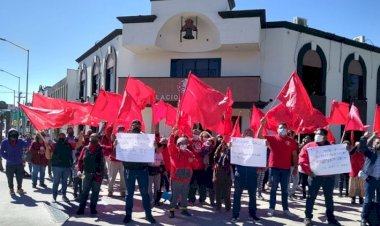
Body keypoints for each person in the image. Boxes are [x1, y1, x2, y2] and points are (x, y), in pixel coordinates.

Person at [299, 128, 341, 226]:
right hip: (314, 176)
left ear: (325, 137)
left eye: (319, 134)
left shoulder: (331, 148)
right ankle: (308, 217)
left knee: (329, 198)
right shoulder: (308, 146)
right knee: (311, 197)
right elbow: (302, 159)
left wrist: (344, 151)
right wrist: (308, 171)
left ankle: (331, 218)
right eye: (316, 133)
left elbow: (338, 161)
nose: (317, 135)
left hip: (328, 177)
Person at [258, 119, 298, 218]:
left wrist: (296, 167)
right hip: (274, 168)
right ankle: (271, 208)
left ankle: (285, 209)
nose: (283, 129)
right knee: (273, 189)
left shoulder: (291, 141)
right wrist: (261, 125)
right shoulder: (273, 138)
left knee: (285, 190)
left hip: (286, 169)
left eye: (284, 128)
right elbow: (259, 136)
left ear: (287, 129)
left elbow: (294, 155)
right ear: (277, 129)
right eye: (281, 128)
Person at [122, 120, 156, 224]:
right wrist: (117, 144)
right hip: (129, 169)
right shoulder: (125, 138)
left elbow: (151, 151)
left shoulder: (146, 138)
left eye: (138, 125)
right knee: (129, 194)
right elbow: (119, 152)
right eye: (134, 125)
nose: (136, 126)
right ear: (131, 126)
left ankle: (148, 214)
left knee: (145, 193)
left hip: (142, 170)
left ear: (141, 127)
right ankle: (128, 215)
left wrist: (152, 145)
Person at [231, 129, 260, 223]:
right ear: (242, 135)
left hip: (252, 174)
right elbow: (230, 157)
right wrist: (230, 147)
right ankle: (235, 215)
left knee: (252, 195)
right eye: (246, 133)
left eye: (250, 133)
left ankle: (252, 214)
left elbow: (262, 156)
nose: (248, 134)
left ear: (253, 135)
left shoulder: (257, 145)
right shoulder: (236, 145)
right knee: (237, 195)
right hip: (240, 173)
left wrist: (265, 146)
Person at [168, 130, 197, 218]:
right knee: (175, 195)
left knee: (185, 195)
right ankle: (172, 211)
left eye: (185, 143)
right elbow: (170, 145)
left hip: (186, 179)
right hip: (176, 179)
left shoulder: (189, 153)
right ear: (178, 144)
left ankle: (184, 210)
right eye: (182, 143)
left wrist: (193, 161)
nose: (184, 144)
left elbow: (196, 165)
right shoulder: (174, 152)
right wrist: (172, 134)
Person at [76, 133, 105, 215]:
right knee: (84, 191)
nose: (92, 139)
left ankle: (93, 209)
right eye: (91, 138)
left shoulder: (101, 149)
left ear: (97, 139)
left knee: (95, 192)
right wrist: (79, 170)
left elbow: (110, 150)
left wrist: (114, 143)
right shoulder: (85, 149)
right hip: (86, 173)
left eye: (94, 138)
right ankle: (81, 208)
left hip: (97, 174)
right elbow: (80, 161)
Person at [358, 133, 380, 226]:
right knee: (368, 200)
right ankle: (363, 219)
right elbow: (362, 147)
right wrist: (366, 137)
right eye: (378, 142)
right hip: (371, 180)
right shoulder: (370, 152)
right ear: (374, 144)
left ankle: (377, 219)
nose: (379, 144)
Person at [0, 128, 28, 195]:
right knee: (10, 177)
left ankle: (19, 188)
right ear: (9, 135)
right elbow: (1, 152)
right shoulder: (4, 142)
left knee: (20, 177)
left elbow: (27, 145)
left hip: (19, 163)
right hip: (10, 164)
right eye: (12, 137)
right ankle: (11, 189)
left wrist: (29, 138)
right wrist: (7, 158)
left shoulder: (20, 141)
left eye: (15, 137)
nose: (13, 138)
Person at [51, 132, 73, 202]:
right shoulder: (54, 145)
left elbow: (72, 151)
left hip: (66, 166)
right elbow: (50, 153)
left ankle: (64, 195)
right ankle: (54, 196)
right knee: (56, 182)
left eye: (63, 136)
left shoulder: (68, 145)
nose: (61, 137)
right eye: (60, 136)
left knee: (64, 182)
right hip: (57, 166)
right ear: (57, 137)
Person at [107, 126, 126, 197]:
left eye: (123, 130)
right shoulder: (113, 137)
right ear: (117, 131)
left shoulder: (126, 139)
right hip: (114, 160)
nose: (122, 131)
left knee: (123, 177)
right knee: (112, 176)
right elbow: (110, 148)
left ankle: (122, 191)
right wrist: (114, 144)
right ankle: (110, 190)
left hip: (122, 161)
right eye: (120, 130)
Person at [213, 140, 232, 211]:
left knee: (226, 192)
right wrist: (220, 145)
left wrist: (229, 148)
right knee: (217, 192)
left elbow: (229, 159)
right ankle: (218, 206)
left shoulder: (229, 152)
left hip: (226, 174)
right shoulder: (219, 152)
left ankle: (228, 206)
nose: (223, 145)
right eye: (222, 144)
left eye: (225, 144)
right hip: (218, 173)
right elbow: (215, 157)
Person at [148, 142, 164, 206]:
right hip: (150, 171)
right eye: (161, 148)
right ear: (157, 148)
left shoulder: (160, 154)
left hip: (157, 171)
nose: (162, 150)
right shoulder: (151, 153)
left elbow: (162, 162)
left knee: (157, 187)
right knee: (149, 187)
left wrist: (162, 168)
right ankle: (150, 200)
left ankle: (156, 199)